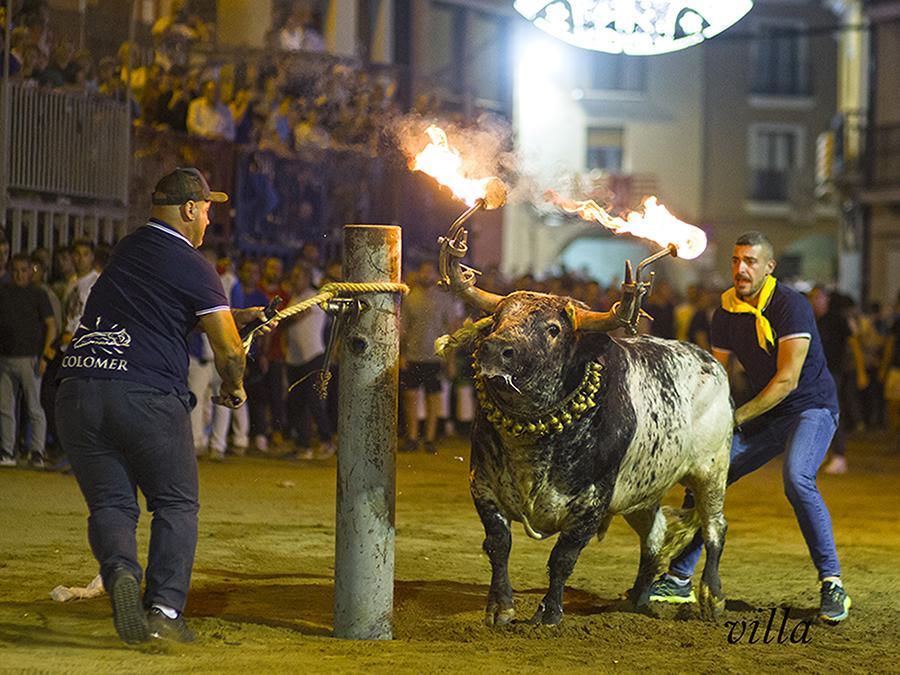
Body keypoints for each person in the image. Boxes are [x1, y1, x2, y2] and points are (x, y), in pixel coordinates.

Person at [54, 168, 270, 644]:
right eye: (208, 210)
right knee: (175, 503)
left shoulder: (128, 250)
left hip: (77, 391)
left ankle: (123, 577)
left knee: (111, 503)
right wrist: (234, 387)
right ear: (190, 210)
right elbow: (230, 352)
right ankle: (165, 612)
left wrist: (235, 315)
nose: (210, 221)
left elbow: (157, 312)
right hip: (144, 395)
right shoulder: (197, 266)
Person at [647, 231, 851, 624]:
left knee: (797, 478)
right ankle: (678, 579)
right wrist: (699, 421)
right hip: (769, 414)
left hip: (812, 408)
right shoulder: (724, 312)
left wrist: (735, 419)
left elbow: (787, 380)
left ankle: (832, 584)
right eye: (736, 260)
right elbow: (716, 375)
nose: (741, 269)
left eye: (751, 262)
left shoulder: (790, 305)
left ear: (769, 267)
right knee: (707, 475)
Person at [0, 253, 57, 467]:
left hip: (30, 358)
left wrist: (45, 355)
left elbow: (51, 325)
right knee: (6, 407)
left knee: (34, 407)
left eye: (23, 270)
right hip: (6, 357)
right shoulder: (4, 293)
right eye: (15, 270)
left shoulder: (38, 294)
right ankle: (7, 450)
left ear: (30, 271)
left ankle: (37, 451)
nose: (19, 274)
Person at [399, 260, 459, 454]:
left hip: (435, 356)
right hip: (413, 354)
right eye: (423, 271)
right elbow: (402, 330)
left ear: (436, 275)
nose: (426, 275)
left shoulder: (444, 299)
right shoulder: (409, 298)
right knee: (411, 397)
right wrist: (401, 355)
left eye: (429, 272)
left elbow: (451, 331)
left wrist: (450, 361)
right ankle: (412, 437)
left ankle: (430, 438)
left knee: (433, 398)